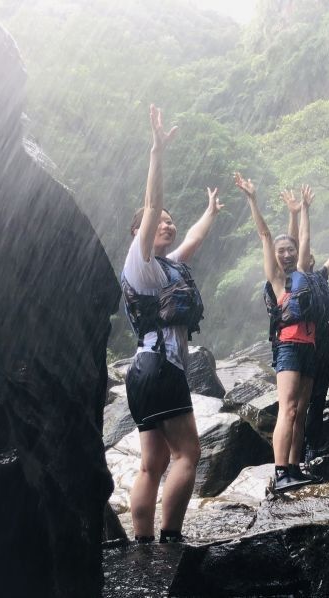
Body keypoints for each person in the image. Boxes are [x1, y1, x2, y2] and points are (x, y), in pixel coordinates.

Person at [122, 105, 223, 543]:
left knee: (152, 462)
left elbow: (194, 239)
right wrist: (157, 153)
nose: (166, 223)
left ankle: (142, 542)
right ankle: (171, 538)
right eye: (159, 222)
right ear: (140, 232)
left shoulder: (166, 267)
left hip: (143, 370)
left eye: (169, 222)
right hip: (161, 369)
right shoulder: (140, 263)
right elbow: (152, 203)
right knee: (189, 452)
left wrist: (211, 210)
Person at [234, 173, 316, 492]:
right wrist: (253, 199)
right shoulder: (277, 279)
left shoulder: (302, 273)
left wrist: (302, 211)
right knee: (289, 407)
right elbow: (267, 236)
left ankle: (294, 467)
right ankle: (281, 471)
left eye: (289, 251)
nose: (285, 254)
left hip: (308, 346)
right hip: (289, 347)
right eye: (281, 252)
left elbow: (301, 242)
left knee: (301, 411)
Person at [281, 190, 329, 465]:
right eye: (305, 255)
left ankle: (310, 445)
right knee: (301, 400)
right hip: (301, 339)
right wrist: (299, 211)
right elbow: (296, 243)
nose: (307, 257)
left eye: (310, 256)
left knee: (319, 392)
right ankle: (296, 453)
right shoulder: (296, 277)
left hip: (321, 339)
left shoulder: (319, 276)